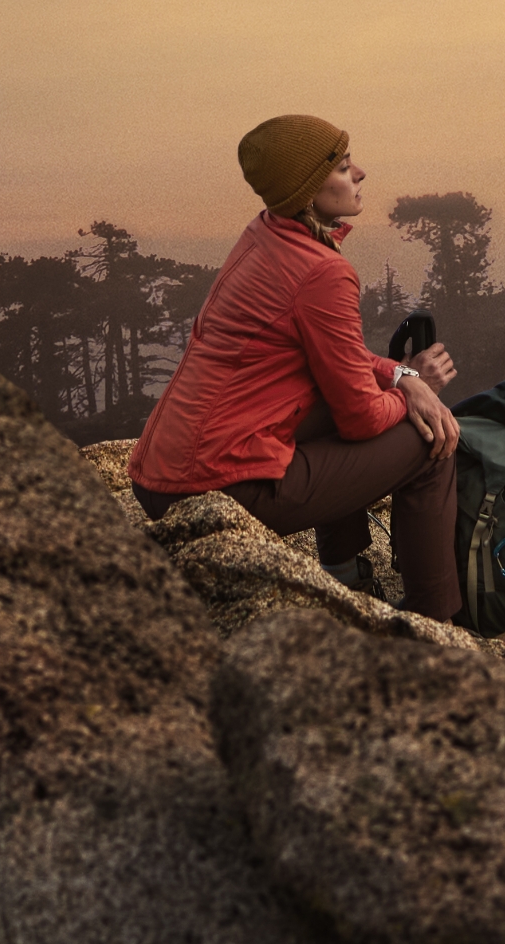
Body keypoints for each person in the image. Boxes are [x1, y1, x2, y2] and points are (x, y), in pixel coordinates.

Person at [128, 114, 465, 619]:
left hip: (160, 474)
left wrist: (403, 375)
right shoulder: (324, 271)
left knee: (363, 400)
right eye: (345, 167)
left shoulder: (265, 236)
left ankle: (343, 578)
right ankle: (434, 623)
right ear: (308, 191)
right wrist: (416, 394)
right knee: (430, 438)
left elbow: (341, 361)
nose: (361, 174)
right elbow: (361, 419)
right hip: (216, 487)